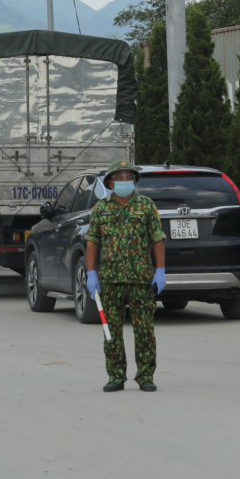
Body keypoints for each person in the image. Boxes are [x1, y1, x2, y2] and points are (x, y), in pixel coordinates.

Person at [85, 160, 167, 393]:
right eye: (119, 178)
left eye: (128, 177)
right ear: (110, 182)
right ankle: (116, 376)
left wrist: (160, 271)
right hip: (111, 280)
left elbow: (157, 239)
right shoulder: (101, 208)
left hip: (141, 279)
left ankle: (145, 376)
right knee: (111, 330)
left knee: (144, 330)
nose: (124, 181)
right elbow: (92, 242)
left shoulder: (147, 206)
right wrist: (92, 273)